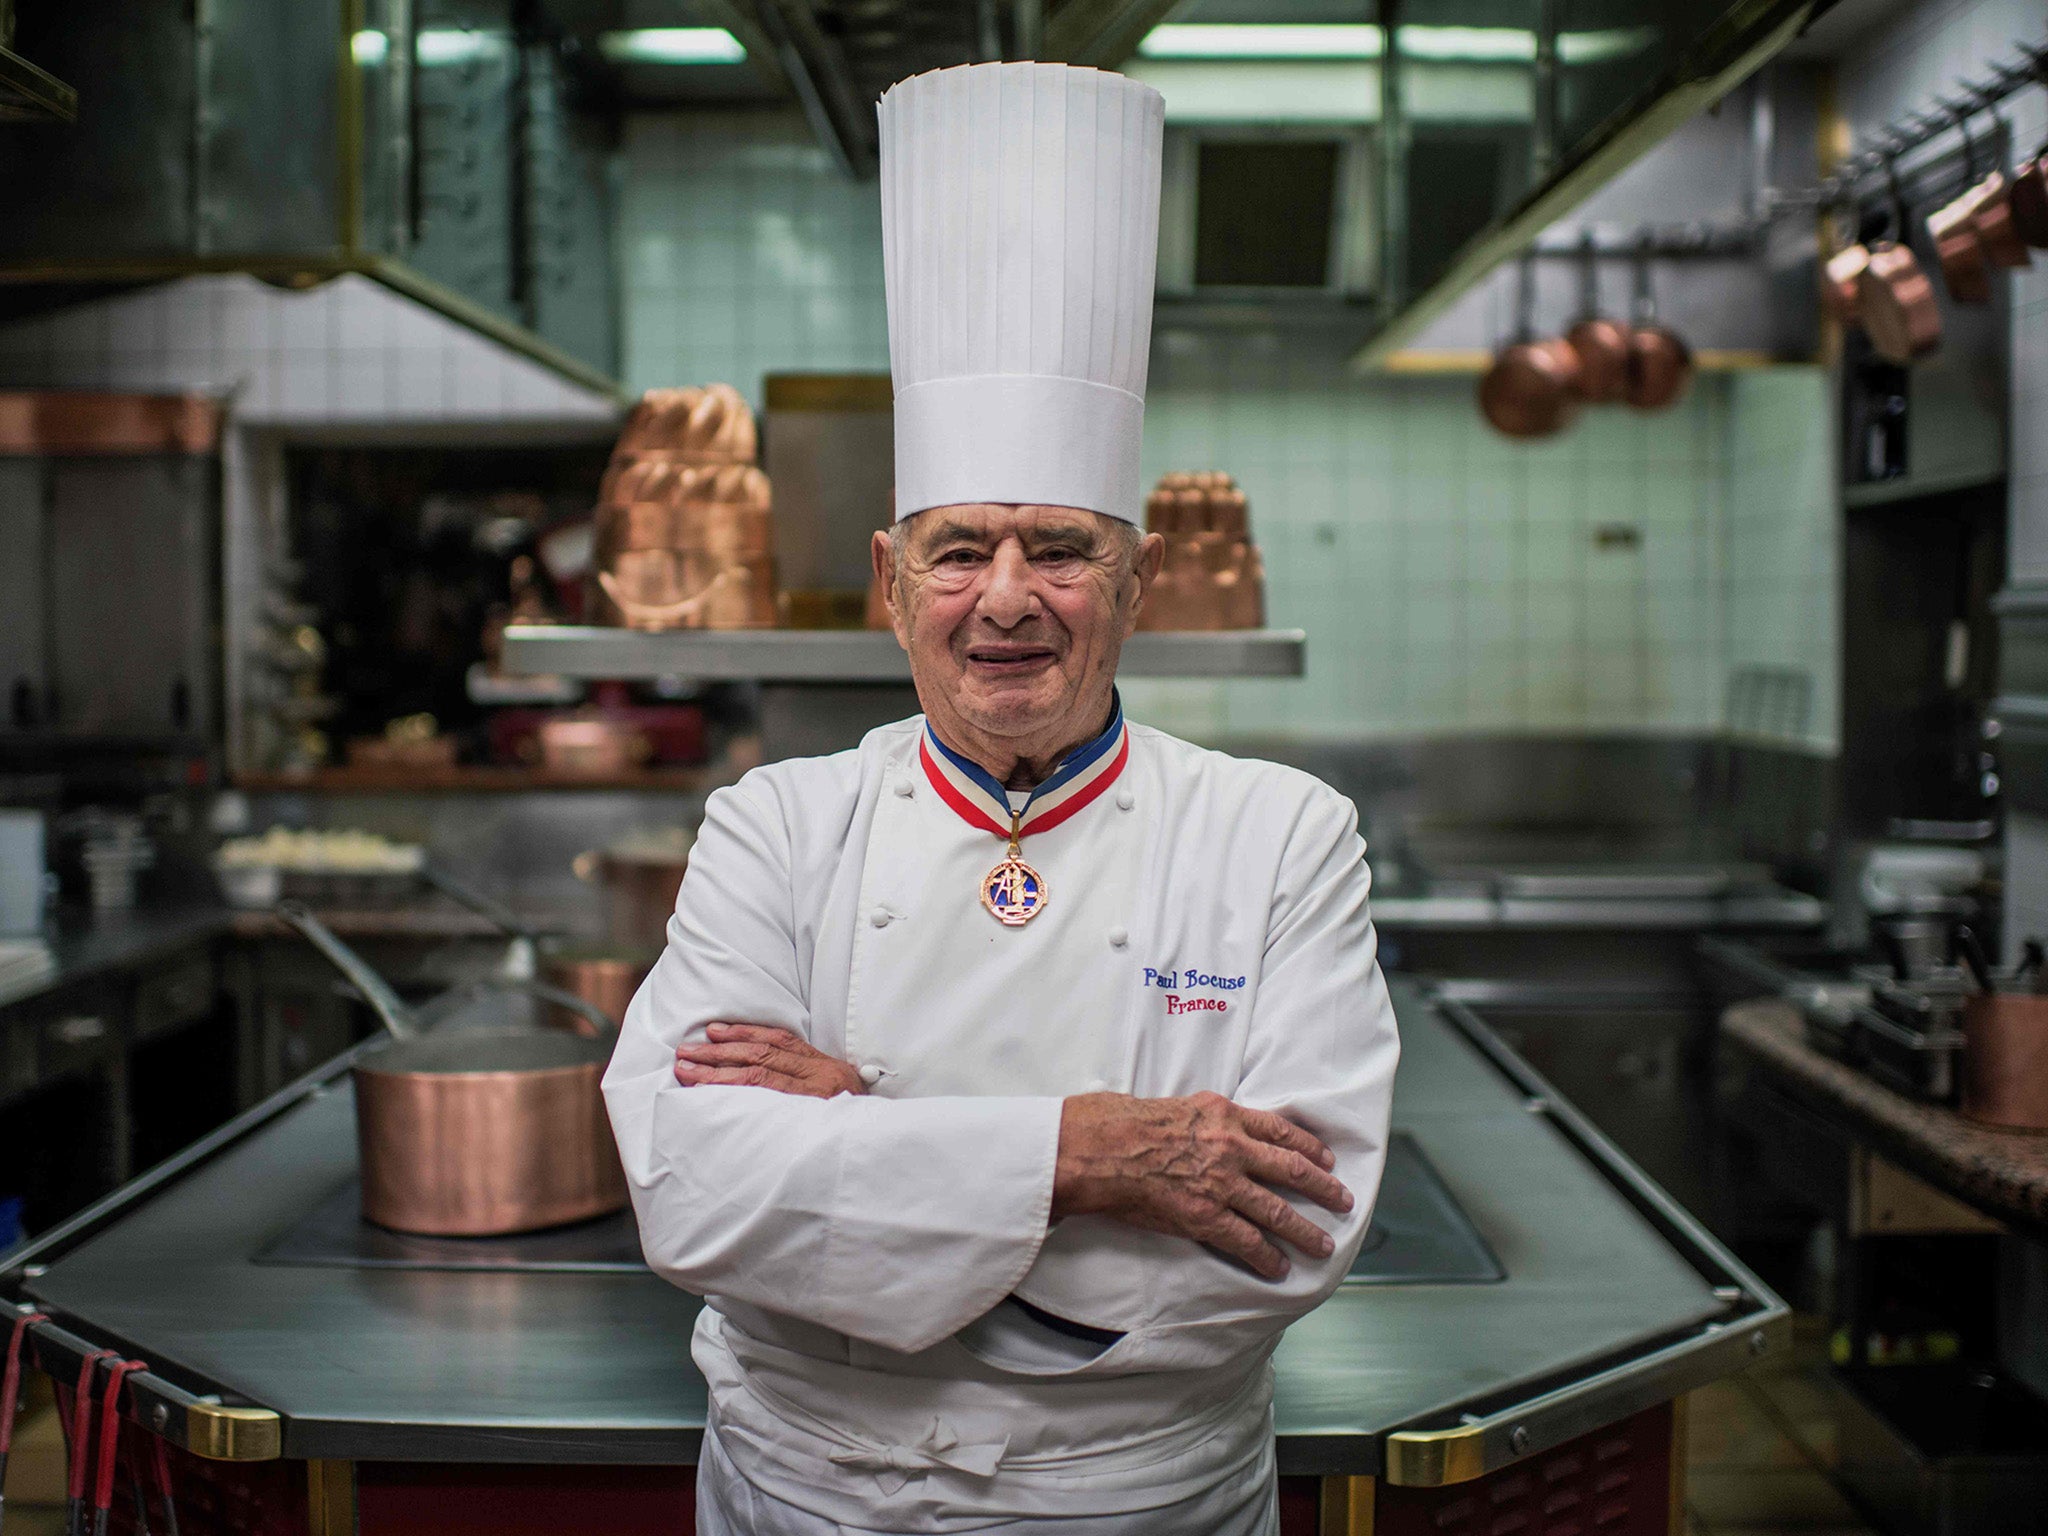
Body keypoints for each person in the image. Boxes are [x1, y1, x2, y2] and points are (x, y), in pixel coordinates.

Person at [602, 60, 1400, 1536]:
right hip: (808, 1492)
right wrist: (1097, 1155)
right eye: (961, 550)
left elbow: (1291, 1235)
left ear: (1139, 583)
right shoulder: (774, 825)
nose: (1009, 601)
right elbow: (692, 1190)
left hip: (1137, 1498)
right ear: (890, 588)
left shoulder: (1282, 835)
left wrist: (861, 1139)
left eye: (1062, 549)